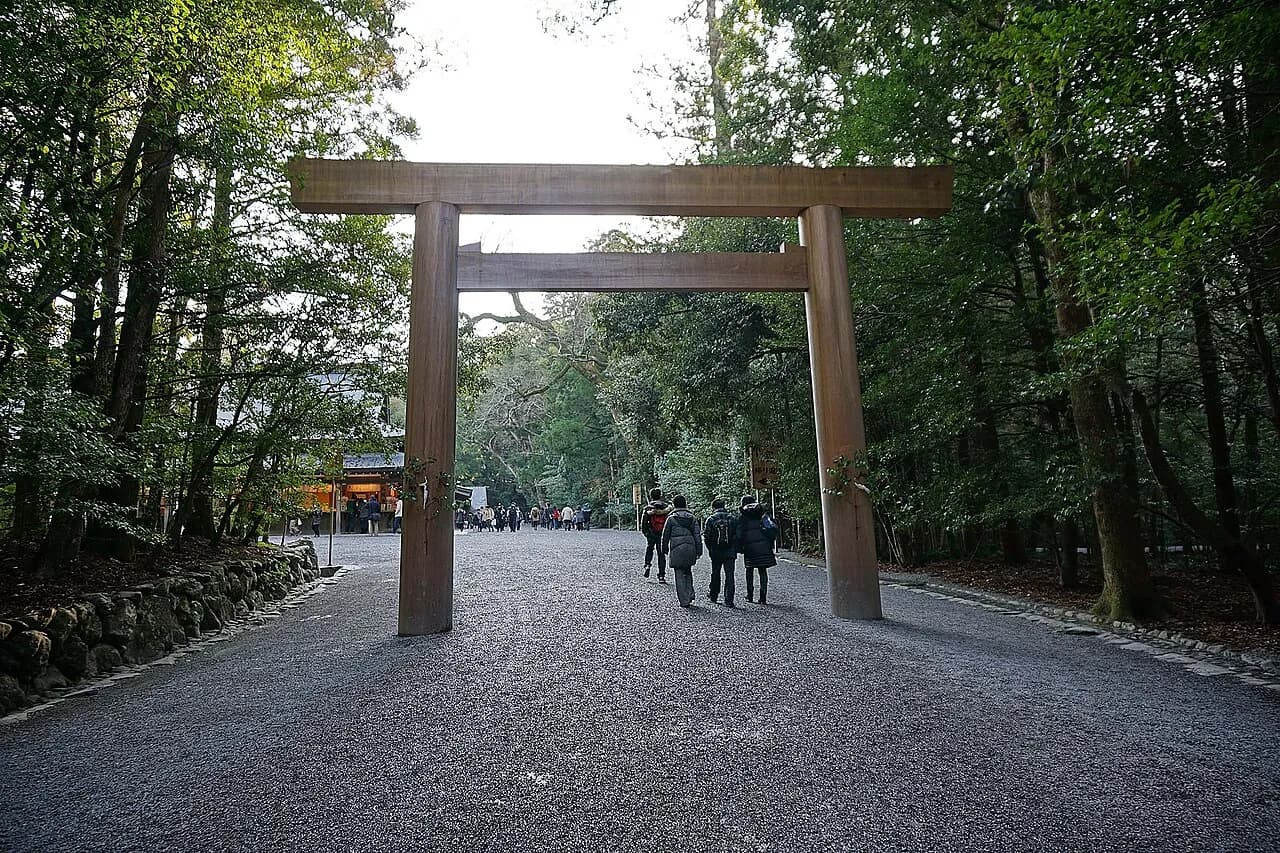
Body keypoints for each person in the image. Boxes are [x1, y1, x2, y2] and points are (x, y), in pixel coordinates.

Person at [660, 494, 702, 607]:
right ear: (685, 504)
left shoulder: (671, 518)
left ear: (674, 505)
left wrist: (664, 549)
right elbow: (697, 536)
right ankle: (690, 593)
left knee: (679, 573)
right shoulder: (692, 518)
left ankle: (684, 600)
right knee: (688, 570)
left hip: (676, 549)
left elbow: (665, 536)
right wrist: (699, 550)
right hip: (690, 548)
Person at [738, 496, 778, 604]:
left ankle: (750, 595)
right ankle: (763, 597)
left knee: (749, 571)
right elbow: (772, 529)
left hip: (749, 548)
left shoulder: (743, 517)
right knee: (763, 571)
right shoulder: (762, 514)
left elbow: (739, 534)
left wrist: (740, 547)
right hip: (764, 546)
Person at [703, 498, 739, 607]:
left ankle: (714, 595)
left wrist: (710, 549)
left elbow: (707, 536)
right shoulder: (732, 518)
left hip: (716, 551)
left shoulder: (711, 519)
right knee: (730, 575)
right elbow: (737, 535)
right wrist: (734, 548)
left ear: (713, 507)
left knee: (715, 573)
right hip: (730, 551)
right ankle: (729, 600)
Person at [640, 488, 671, 582]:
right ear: (660, 495)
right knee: (661, 554)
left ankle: (647, 565)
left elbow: (644, 523)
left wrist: (646, 534)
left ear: (651, 496)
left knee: (649, 548)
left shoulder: (648, 508)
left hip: (651, 532)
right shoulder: (666, 507)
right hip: (662, 533)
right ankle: (661, 576)